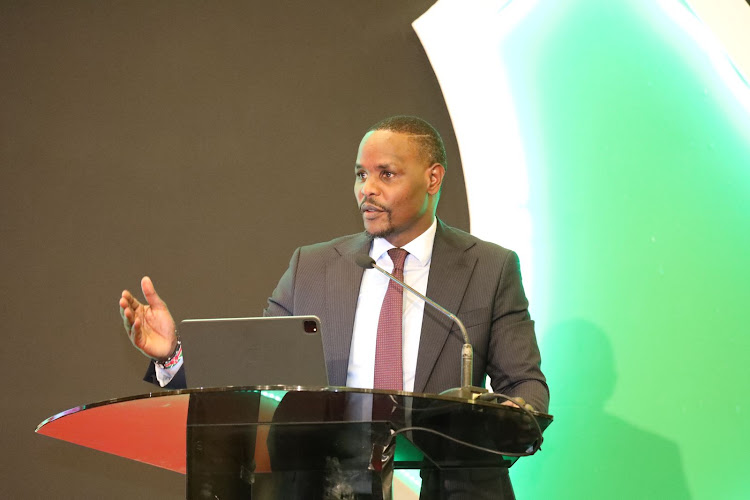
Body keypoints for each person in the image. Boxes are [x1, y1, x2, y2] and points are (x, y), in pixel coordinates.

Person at [119, 116, 548, 498]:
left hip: (446, 483)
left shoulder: (489, 268)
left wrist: (513, 412)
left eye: (386, 174)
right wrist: (173, 354)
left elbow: (525, 384)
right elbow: (248, 372)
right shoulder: (314, 266)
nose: (368, 189)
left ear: (433, 178)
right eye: (361, 174)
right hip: (329, 483)